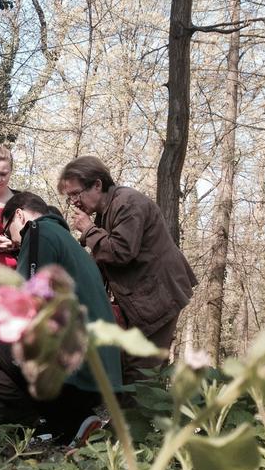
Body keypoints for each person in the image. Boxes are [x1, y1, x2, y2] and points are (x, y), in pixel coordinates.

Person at [0, 192, 122, 443]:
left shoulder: (39, 231)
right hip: (99, 372)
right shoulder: (69, 243)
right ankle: (71, 422)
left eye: (11, 233)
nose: (15, 242)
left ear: (19, 215)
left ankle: (26, 426)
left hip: (77, 369)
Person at [57, 156, 197, 378]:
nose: (73, 201)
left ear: (97, 184)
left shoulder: (127, 203)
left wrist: (89, 230)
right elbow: (103, 261)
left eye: (76, 193)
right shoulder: (105, 213)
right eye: (69, 197)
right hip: (143, 299)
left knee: (141, 373)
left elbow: (120, 252)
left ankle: (143, 413)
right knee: (127, 368)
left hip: (159, 298)